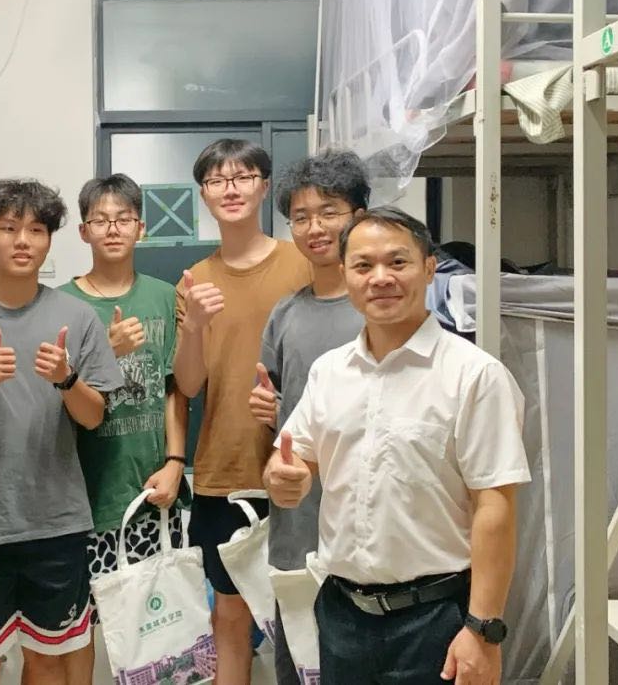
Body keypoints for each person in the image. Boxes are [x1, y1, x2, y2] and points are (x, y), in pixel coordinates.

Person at [264, 207, 531, 685]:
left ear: (429, 268)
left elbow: (495, 506)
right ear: (345, 274)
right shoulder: (330, 372)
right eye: (363, 265)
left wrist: (483, 629)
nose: (380, 278)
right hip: (342, 616)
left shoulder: (474, 375)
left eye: (398, 262)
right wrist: (284, 479)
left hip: (436, 620)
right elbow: (295, 461)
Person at [0, 179, 124, 685]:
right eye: (8, 228)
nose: (23, 241)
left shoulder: (76, 316)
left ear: (50, 239)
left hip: (56, 524)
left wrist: (67, 379)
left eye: (36, 230)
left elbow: (93, 417)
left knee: (48, 659)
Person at [173, 138, 314, 685]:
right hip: (225, 472)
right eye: (216, 179)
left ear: (263, 185)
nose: (230, 188)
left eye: (243, 176)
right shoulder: (195, 279)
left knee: (306, 615)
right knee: (229, 617)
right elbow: (188, 383)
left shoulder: (303, 261)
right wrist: (193, 327)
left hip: (305, 465)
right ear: (204, 194)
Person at [59, 174, 190, 677]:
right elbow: (53, 399)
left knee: (157, 627)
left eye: (123, 219)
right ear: (83, 231)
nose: (112, 229)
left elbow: (175, 387)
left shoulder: (164, 297)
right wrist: (104, 353)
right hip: (82, 498)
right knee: (79, 632)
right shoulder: (62, 305)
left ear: (141, 228)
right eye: (100, 220)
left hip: (150, 493)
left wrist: (175, 462)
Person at [247, 151, 369, 685]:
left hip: (370, 524)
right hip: (298, 524)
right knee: (299, 663)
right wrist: (268, 413)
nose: (315, 228)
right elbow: (281, 412)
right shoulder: (287, 313)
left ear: (359, 216)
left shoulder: (382, 307)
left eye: (329, 212)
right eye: (301, 217)